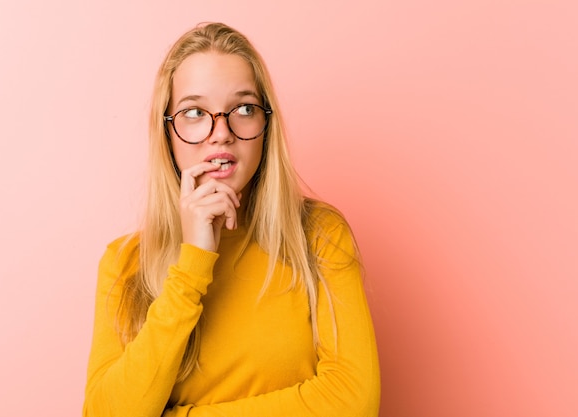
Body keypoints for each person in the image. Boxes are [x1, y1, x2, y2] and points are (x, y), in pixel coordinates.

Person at [83, 22, 380, 417]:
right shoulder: (125, 263)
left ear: (265, 125)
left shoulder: (318, 235)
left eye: (243, 108)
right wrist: (192, 265)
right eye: (194, 112)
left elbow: (353, 402)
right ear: (167, 131)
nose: (220, 133)